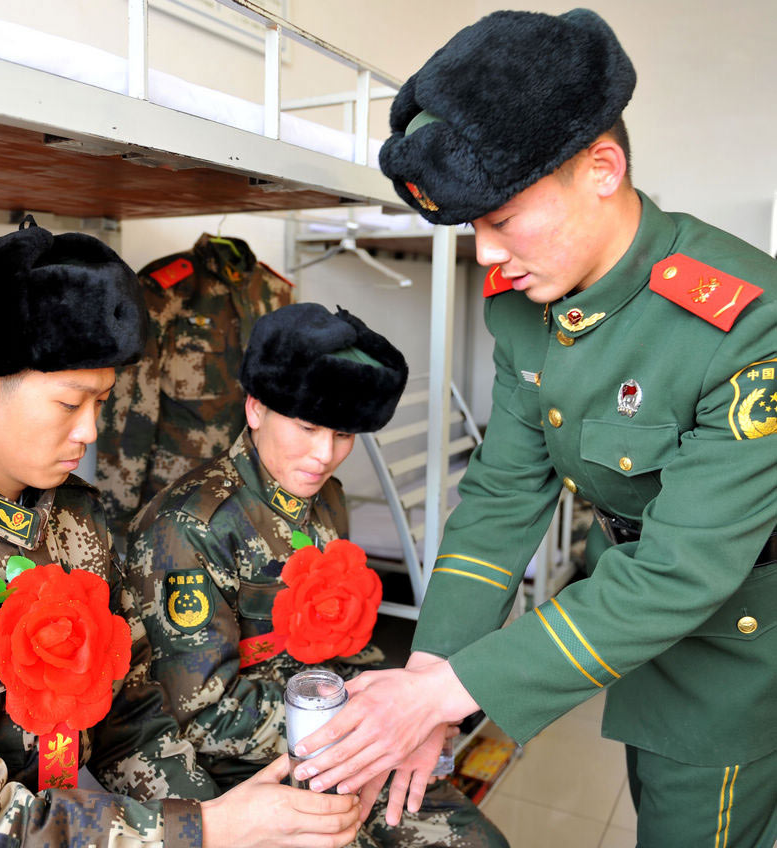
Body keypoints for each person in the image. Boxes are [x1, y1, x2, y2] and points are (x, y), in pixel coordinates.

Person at [286, 9, 777, 848]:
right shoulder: (529, 309)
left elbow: (680, 571)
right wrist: (432, 671)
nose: (486, 255)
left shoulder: (744, 324)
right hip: (628, 608)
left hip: (738, 642)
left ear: (602, 169)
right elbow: (504, 496)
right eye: (472, 227)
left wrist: (445, 697)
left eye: (503, 220)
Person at [0, 220, 362, 848]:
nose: (91, 433)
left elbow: (128, 720)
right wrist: (203, 831)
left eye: (102, 403)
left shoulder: (77, 517)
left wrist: (231, 819)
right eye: (69, 404)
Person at [128, 302, 509, 848]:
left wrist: (411, 705)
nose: (324, 455)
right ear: (256, 409)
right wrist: (366, 725)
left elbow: (340, 646)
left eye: (344, 436)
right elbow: (202, 713)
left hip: (339, 738)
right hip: (249, 768)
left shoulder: (324, 497)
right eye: (307, 429)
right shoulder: (189, 527)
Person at [95, 233, 293, 549]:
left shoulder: (276, 291)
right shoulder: (165, 289)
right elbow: (133, 403)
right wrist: (119, 508)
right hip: (179, 495)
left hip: (255, 491)